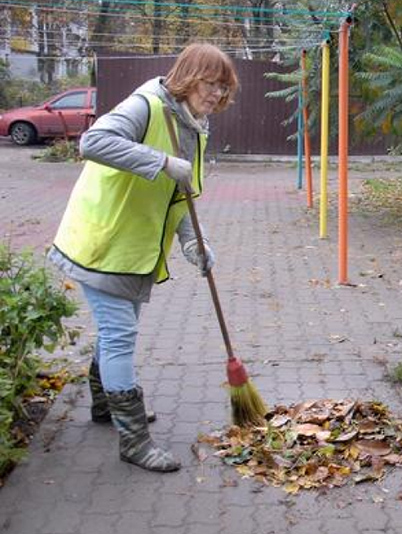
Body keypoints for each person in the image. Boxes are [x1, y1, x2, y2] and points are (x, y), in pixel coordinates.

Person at [48, 43, 239, 472]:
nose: (215, 94)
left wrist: (195, 243)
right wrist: (161, 161)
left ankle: (105, 407)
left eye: (222, 87)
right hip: (102, 243)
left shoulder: (193, 124)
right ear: (189, 76)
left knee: (116, 331)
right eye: (210, 83)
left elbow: (180, 194)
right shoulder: (146, 105)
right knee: (120, 335)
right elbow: (93, 141)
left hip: (133, 249)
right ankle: (133, 441)